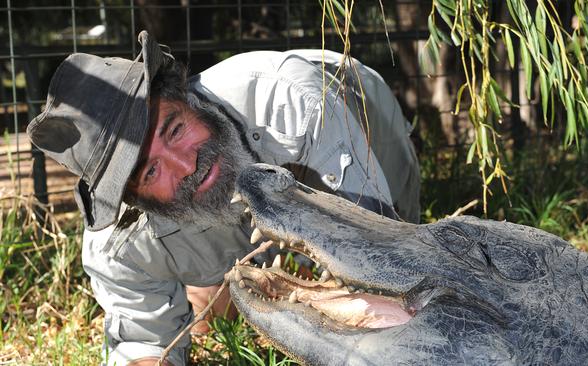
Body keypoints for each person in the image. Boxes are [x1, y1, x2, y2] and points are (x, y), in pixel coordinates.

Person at [28, 31, 420, 366]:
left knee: (398, 294)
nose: (186, 165)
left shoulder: (294, 103)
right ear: (132, 198)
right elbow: (145, 347)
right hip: (225, 220)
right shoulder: (117, 248)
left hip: (354, 105)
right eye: (150, 171)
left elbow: (379, 260)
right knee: (212, 316)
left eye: (175, 129)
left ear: (184, 96)